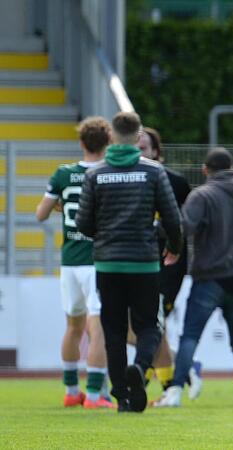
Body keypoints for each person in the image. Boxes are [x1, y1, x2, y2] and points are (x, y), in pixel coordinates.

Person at [76, 111, 182, 413]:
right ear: (138, 138)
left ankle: (122, 396)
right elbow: (173, 219)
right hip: (144, 263)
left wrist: (106, 235)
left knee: (113, 330)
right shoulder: (153, 172)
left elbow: (83, 223)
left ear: (111, 137)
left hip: (108, 264)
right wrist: (174, 247)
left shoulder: (95, 174)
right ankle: (140, 366)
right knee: (149, 326)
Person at [157, 147, 233, 408]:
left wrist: (166, 239)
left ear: (205, 169)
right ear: (232, 166)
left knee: (190, 336)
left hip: (209, 275)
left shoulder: (202, 194)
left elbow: (185, 227)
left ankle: (176, 391)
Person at [36, 116, 113, 409]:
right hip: (98, 260)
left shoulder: (63, 174)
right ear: (108, 143)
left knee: (73, 327)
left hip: (69, 261)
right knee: (99, 328)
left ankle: (71, 391)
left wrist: (64, 206)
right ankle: (94, 396)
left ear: (81, 142)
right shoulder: (109, 173)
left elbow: (41, 214)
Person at [137, 127, 204, 404]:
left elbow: (184, 226)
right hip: (136, 264)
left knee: (152, 324)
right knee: (142, 326)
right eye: (136, 147)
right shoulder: (129, 179)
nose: (140, 153)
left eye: (144, 148)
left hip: (167, 267)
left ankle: (157, 384)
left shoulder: (175, 182)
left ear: (156, 151)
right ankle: (184, 370)